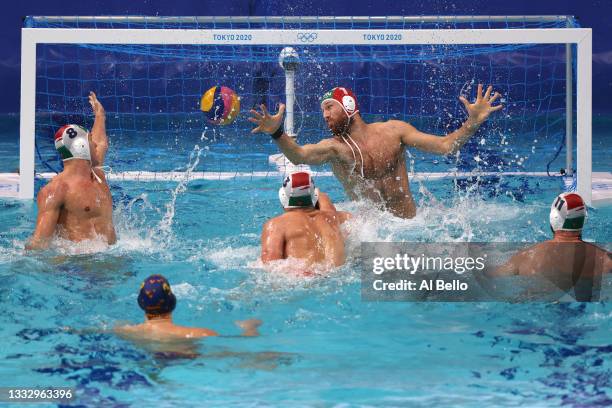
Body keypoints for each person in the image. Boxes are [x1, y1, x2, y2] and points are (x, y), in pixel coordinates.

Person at [249, 85, 502, 219]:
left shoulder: (394, 131)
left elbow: (446, 146)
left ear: (349, 105)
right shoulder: (334, 148)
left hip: (409, 225)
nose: (324, 115)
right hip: (373, 230)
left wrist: (473, 122)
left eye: (329, 107)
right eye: (323, 110)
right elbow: (299, 155)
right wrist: (276, 132)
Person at [26, 92, 116, 249]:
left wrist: (100, 116)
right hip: (79, 267)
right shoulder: (56, 190)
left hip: (111, 258)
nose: (96, 145)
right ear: (81, 147)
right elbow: (39, 244)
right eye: (90, 141)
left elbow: (101, 143)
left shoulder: (96, 173)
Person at [490, 193, 611, 301]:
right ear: (584, 220)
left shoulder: (526, 257)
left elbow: (490, 276)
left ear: (554, 218)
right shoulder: (606, 260)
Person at [114, 274, 262, 341]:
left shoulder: (123, 331)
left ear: (140, 303)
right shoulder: (200, 334)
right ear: (172, 302)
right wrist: (250, 328)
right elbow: (241, 347)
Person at [261, 171, 351, 272]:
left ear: (283, 197)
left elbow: (270, 265)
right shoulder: (334, 217)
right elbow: (324, 199)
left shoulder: (276, 225)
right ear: (314, 197)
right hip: (336, 273)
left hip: (301, 278)